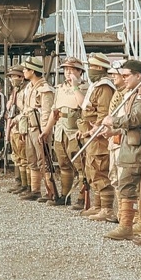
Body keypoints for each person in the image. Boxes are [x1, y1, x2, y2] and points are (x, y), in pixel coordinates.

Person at [100, 58, 141, 242]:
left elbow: (137, 119)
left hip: (138, 148)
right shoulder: (133, 92)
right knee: (128, 185)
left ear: (138, 75)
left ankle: (129, 226)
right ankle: (133, 223)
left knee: (129, 184)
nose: (123, 79)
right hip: (131, 146)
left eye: (126, 75)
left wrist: (113, 121)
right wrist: (114, 131)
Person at [81, 53, 118, 221]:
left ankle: (107, 208)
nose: (90, 70)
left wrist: (95, 129)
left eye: (93, 67)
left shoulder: (104, 87)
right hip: (91, 134)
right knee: (92, 169)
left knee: (100, 168)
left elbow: (104, 113)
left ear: (101, 68)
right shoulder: (95, 86)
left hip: (99, 136)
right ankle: (97, 205)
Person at [49, 56, 88, 207]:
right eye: (66, 69)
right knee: (63, 163)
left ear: (80, 71)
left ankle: (82, 198)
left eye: (72, 69)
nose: (68, 72)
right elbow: (54, 111)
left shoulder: (85, 87)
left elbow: (84, 106)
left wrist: (75, 87)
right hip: (61, 130)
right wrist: (46, 130)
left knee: (80, 165)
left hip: (75, 131)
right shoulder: (60, 88)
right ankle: (65, 196)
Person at [22, 58, 55, 202]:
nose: (24, 71)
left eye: (26, 69)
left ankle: (51, 191)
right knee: (32, 159)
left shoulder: (45, 89)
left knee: (44, 161)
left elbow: (47, 112)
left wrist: (45, 131)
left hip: (40, 129)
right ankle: (35, 190)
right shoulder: (29, 87)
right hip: (30, 127)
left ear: (33, 71)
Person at [4, 65, 30, 196]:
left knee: (24, 156)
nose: (12, 79)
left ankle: (26, 185)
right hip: (14, 126)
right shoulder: (15, 91)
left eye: (14, 76)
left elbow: (26, 109)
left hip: (22, 126)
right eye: (11, 77)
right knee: (16, 156)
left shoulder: (26, 90)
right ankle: (19, 182)